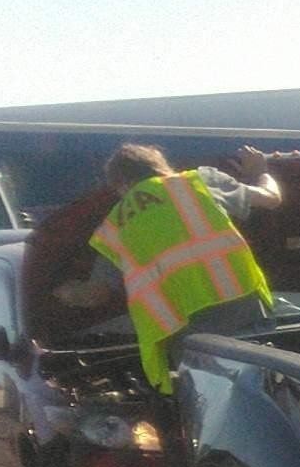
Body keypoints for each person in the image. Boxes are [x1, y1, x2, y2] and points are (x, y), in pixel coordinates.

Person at [55, 143, 283, 394]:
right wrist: (260, 171)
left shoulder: (116, 225)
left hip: (186, 341)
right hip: (244, 316)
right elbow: (272, 198)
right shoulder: (199, 182)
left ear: (121, 186)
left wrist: (65, 293)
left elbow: (96, 294)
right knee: (265, 395)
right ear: (161, 167)